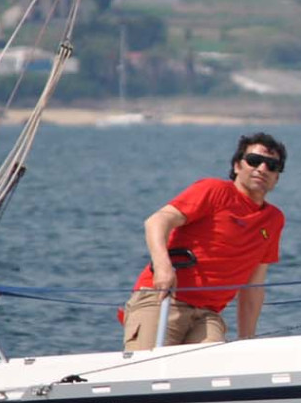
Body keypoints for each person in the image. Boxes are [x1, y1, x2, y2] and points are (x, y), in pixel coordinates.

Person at [121, 132, 287, 350]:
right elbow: (157, 221)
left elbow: (254, 286)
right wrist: (162, 267)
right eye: (254, 161)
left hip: (208, 315)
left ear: (277, 177)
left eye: (272, 166)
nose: (262, 169)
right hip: (163, 298)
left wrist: (247, 340)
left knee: (212, 363)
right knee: (149, 365)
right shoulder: (213, 190)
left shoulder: (273, 219)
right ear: (237, 166)